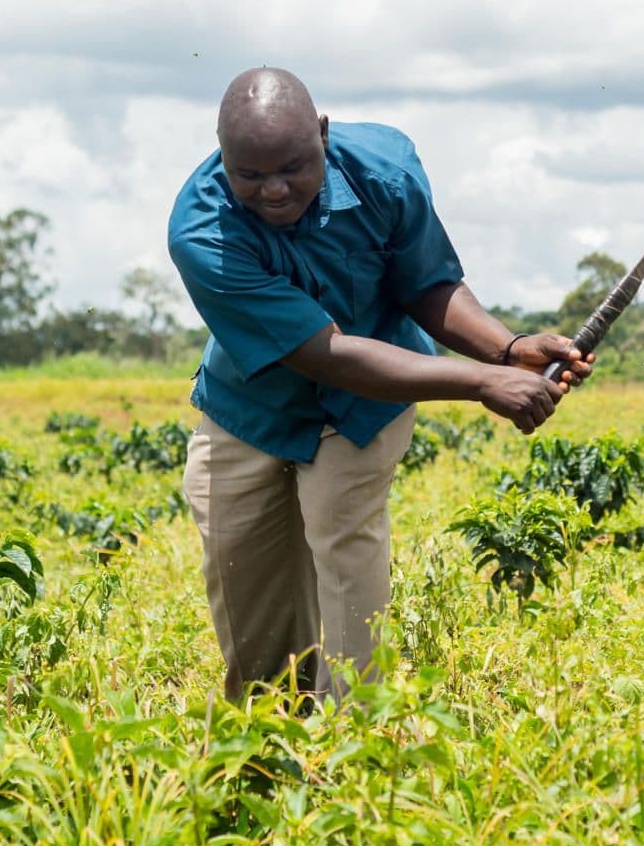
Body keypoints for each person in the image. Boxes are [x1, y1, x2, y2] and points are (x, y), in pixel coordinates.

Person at [167, 67, 593, 701]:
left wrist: (508, 348)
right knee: (250, 605)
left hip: (367, 409)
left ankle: (352, 752)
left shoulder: (385, 170)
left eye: (293, 167)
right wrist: (483, 381)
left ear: (323, 133)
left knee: (347, 570)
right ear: (222, 156)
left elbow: (425, 284)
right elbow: (326, 353)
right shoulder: (202, 232)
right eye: (249, 175)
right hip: (250, 411)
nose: (275, 190)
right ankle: (263, 754)